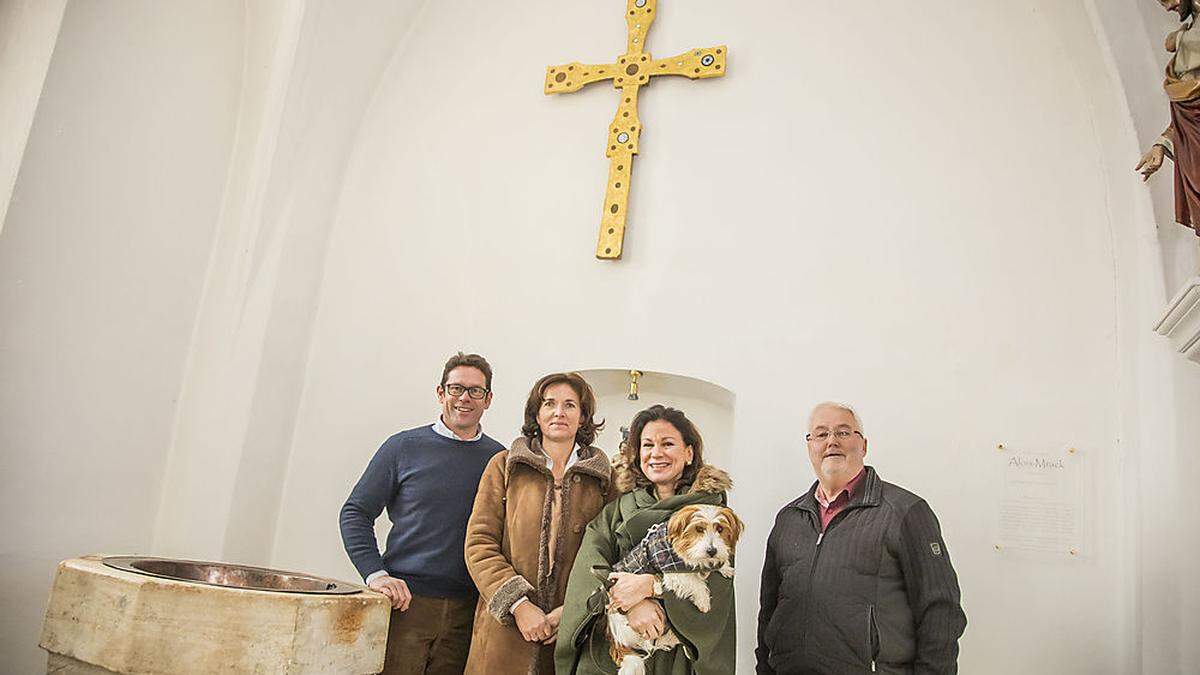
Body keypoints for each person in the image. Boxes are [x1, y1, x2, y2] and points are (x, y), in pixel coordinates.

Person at [756, 402, 967, 675]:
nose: (831, 441)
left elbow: (940, 611)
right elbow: (768, 611)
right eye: (821, 434)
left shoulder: (905, 512)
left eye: (843, 432)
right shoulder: (789, 519)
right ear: (809, 446)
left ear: (864, 445)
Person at [339, 352, 504, 675]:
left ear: (488, 400)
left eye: (475, 391)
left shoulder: (499, 460)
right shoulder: (403, 447)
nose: (464, 398)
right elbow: (355, 512)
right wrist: (377, 575)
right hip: (406, 605)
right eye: (456, 389)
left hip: (469, 611)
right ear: (441, 393)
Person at [556, 405, 737, 675]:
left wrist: (653, 588)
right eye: (647, 445)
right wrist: (631, 604)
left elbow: (718, 580)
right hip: (618, 650)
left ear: (688, 453)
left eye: (668, 444)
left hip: (678, 655)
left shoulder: (713, 513)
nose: (656, 453)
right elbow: (589, 567)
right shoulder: (617, 510)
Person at [463, 372, 616, 675]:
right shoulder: (505, 465)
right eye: (549, 404)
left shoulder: (605, 480)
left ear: (583, 417)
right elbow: (479, 544)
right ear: (537, 413)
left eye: (570, 405)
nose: (559, 412)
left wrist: (574, 613)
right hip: (502, 634)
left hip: (570, 636)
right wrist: (518, 605)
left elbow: (612, 555)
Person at [1136, 0, 1200, 237]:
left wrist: (1182, 40)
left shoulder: (1188, 38)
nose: (1168, 7)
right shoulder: (1191, 32)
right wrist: (1161, 145)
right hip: (1194, 157)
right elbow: (1189, 120)